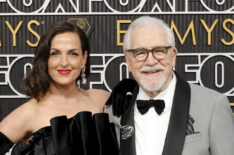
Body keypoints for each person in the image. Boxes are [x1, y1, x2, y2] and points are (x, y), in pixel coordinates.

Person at [105, 16, 234, 155]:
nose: (150, 61)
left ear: (173, 56)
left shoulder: (213, 105)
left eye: (159, 51)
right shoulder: (114, 111)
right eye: (140, 53)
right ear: (128, 60)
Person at [0, 22, 119, 155]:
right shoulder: (29, 113)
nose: (64, 62)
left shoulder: (102, 100)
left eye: (73, 54)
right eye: (55, 53)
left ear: (83, 59)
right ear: (45, 58)